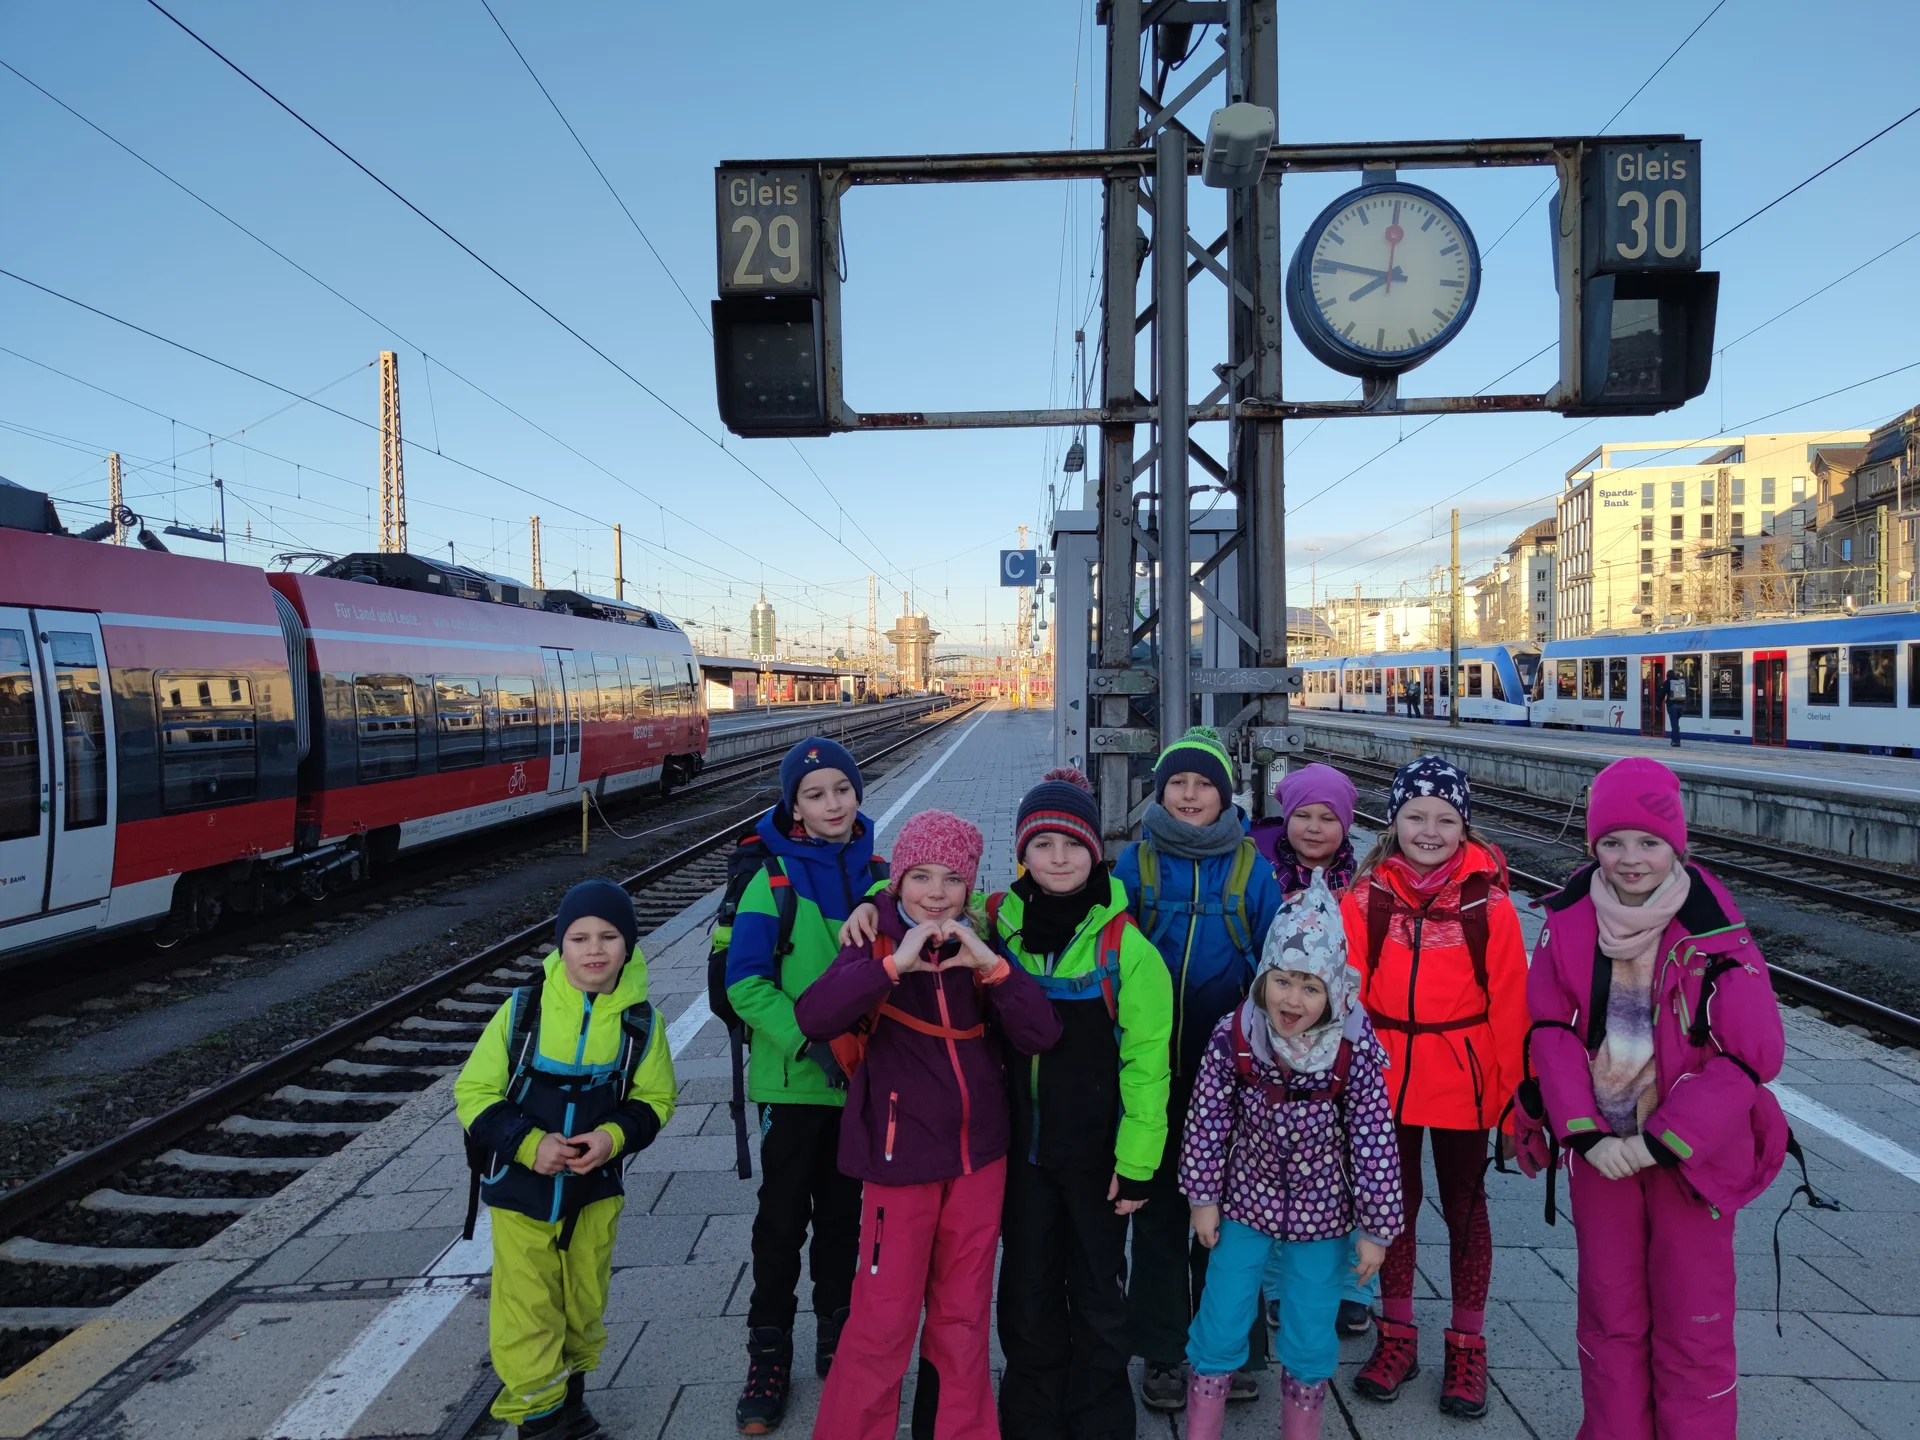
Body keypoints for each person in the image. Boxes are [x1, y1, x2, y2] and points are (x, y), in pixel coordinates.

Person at [1517, 757, 1787, 1439]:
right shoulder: (1570, 920)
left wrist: (1658, 1141)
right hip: (1602, 1151)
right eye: (1612, 842)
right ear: (1591, 845)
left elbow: (1751, 1055)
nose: (1629, 859)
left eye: (1648, 842)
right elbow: (1549, 1028)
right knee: (1610, 1316)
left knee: (1692, 1321)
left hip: (1685, 1158)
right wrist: (1585, 1135)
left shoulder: (1718, 935)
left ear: (1677, 845)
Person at [795, 811, 1061, 1440]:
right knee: (883, 1319)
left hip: (979, 1159)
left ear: (971, 887)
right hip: (900, 1160)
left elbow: (1041, 1033)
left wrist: (991, 967)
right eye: (919, 876)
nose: (935, 893)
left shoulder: (983, 942)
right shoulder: (874, 941)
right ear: (897, 881)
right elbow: (814, 1017)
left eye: (951, 879)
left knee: (963, 1318)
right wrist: (892, 968)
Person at [1177, 873, 1404, 1440]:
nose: (1292, 1000)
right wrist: (1203, 1197)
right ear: (1263, 980)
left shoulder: (1352, 1049)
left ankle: (1301, 1426)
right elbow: (1207, 1118)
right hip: (1244, 1203)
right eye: (1282, 982)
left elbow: (1375, 1142)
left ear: (1333, 989)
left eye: (1309, 987)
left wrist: (1376, 1229)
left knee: (1309, 1325)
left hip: (1325, 1215)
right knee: (1222, 1311)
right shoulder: (1237, 1035)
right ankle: (1203, 1419)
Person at [1340, 755, 1528, 1420]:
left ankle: (1467, 1345)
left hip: (1465, 1083)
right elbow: (1346, 997)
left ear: (1463, 826)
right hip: (1384, 1080)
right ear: (1392, 822)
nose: (1429, 829)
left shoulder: (1491, 906)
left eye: (1444, 819)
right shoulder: (1364, 900)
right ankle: (1396, 1336)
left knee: (1467, 1211)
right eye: (1415, 816)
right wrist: (1346, 1087)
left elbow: (1510, 1009)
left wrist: (1513, 1104)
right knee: (1391, 1211)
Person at [455, 879, 675, 1440]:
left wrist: (611, 1137)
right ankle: (541, 1419)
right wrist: (530, 1144)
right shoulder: (522, 1013)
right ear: (559, 945)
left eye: (609, 937)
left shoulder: (640, 1025)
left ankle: (569, 1401)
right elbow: (474, 1092)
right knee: (527, 1307)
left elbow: (655, 1099)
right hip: (521, 1194)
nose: (594, 949)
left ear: (629, 946)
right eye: (579, 938)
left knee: (582, 1300)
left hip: (594, 1192)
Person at [992, 767, 1173, 1440]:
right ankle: (1033, 1419)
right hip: (1020, 1158)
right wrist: (871, 898)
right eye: (1043, 845)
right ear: (1022, 854)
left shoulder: (1125, 947)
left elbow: (1148, 1065)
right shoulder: (996, 926)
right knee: (1027, 1295)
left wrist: (1137, 1164)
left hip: (1099, 1162)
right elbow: (913, 893)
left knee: (1099, 1294)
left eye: (1073, 843)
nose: (1059, 858)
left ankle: (1099, 1420)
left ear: (1096, 850)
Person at [1111, 726, 1284, 1410]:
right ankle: (1161, 1351)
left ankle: (1232, 1347)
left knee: (1233, 1214)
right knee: (1155, 1213)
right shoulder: (1136, 864)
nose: (1189, 795)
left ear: (1223, 794)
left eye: (1203, 784)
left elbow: (1279, 964)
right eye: (1177, 783)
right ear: (1160, 792)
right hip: (1153, 1070)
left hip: (1232, 1075)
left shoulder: (1251, 871)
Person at [726, 737, 885, 1435]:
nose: (831, 805)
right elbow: (744, 985)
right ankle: (768, 1352)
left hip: (862, 1086)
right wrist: (807, 1040)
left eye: (841, 791)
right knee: (780, 1222)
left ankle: (835, 1334)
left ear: (856, 795)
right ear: (794, 807)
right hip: (792, 1085)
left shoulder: (883, 875)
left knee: (845, 1221)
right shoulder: (774, 883)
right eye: (814, 795)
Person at [1247, 761, 1374, 1340]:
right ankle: (1277, 1284)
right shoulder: (1260, 872)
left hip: (1344, 1042)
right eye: (1303, 815)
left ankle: (1351, 1287)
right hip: (1275, 1038)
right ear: (1285, 817)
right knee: (1273, 1160)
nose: (1316, 827)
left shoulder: (1366, 883)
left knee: (1346, 1161)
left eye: (1329, 818)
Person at [1249, 763, 1360, 898]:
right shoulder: (1257, 871)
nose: (1313, 828)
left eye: (1327, 819)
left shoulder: (1361, 880)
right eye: (1302, 816)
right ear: (1288, 820)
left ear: (1345, 825)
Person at [1663, 667, 1687, 747]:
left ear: (1667, 676)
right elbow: (1687, 693)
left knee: (1674, 724)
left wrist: (1657, 704)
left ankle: (1676, 742)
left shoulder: (1668, 682)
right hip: (1681, 706)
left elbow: (1661, 693)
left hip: (1672, 706)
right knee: (1676, 723)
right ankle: (1674, 739)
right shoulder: (1680, 682)